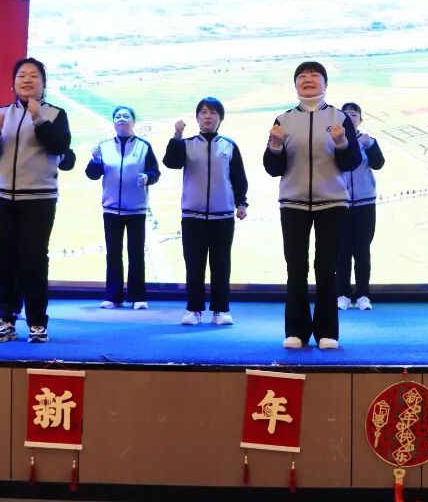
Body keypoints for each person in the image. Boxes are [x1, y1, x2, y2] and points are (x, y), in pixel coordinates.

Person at [264, 62, 361, 349]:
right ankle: (296, 331)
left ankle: (327, 332)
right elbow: (272, 168)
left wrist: (342, 142)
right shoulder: (283, 119)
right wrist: (274, 147)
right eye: (302, 77)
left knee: (326, 268)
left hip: (333, 202)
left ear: (325, 84)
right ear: (295, 85)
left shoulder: (338, 117)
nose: (308, 80)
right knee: (296, 268)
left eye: (314, 76)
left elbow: (352, 162)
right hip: (292, 203)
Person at [0, 58, 72, 343]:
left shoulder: (55, 114)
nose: (27, 80)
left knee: (33, 260)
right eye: (21, 75)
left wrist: (38, 119)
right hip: (2, 198)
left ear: (44, 83)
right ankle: (5, 319)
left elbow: (60, 146)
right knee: (3, 259)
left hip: (39, 198)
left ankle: (37, 322)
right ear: (13, 83)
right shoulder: (0, 113)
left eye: (34, 76)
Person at [163, 97, 248, 326]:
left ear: (220, 118)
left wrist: (241, 203)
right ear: (197, 117)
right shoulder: (187, 144)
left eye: (213, 112)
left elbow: (239, 178)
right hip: (193, 216)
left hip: (223, 216)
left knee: (221, 265)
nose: (208, 116)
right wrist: (177, 135)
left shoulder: (229, 145)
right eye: (203, 112)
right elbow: (171, 162)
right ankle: (194, 310)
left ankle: (221, 310)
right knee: (194, 264)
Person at [85, 106, 161, 311]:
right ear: (113, 122)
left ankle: (138, 297)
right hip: (111, 209)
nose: (121, 119)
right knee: (113, 254)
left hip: (136, 209)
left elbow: (155, 172)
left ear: (133, 122)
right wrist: (95, 161)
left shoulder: (144, 147)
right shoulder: (104, 146)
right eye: (117, 116)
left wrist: (147, 177)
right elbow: (92, 174)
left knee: (136, 253)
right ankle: (113, 296)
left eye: (126, 116)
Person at [336, 102, 384, 312]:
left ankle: (363, 294)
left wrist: (370, 145)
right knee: (342, 252)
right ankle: (343, 294)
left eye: (354, 115)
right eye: (346, 115)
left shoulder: (368, 140)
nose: (350, 118)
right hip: (340, 203)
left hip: (365, 203)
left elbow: (379, 163)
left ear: (360, 119)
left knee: (362, 251)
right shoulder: (332, 142)